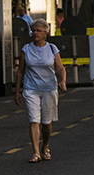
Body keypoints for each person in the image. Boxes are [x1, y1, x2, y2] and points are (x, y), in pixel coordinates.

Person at [15, 19, 67, 162]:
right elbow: (20, 71)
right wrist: (17, 91)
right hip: (31, 89)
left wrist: (62, 80)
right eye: (33, 30)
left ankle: (45, 146)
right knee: (34, 120)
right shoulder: (26, 49)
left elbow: (60, 68)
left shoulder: (52, 49)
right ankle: (36, 152)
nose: (35, 33)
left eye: (38, 31)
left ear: (46, 33)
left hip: (49, 89)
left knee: (46, 122)